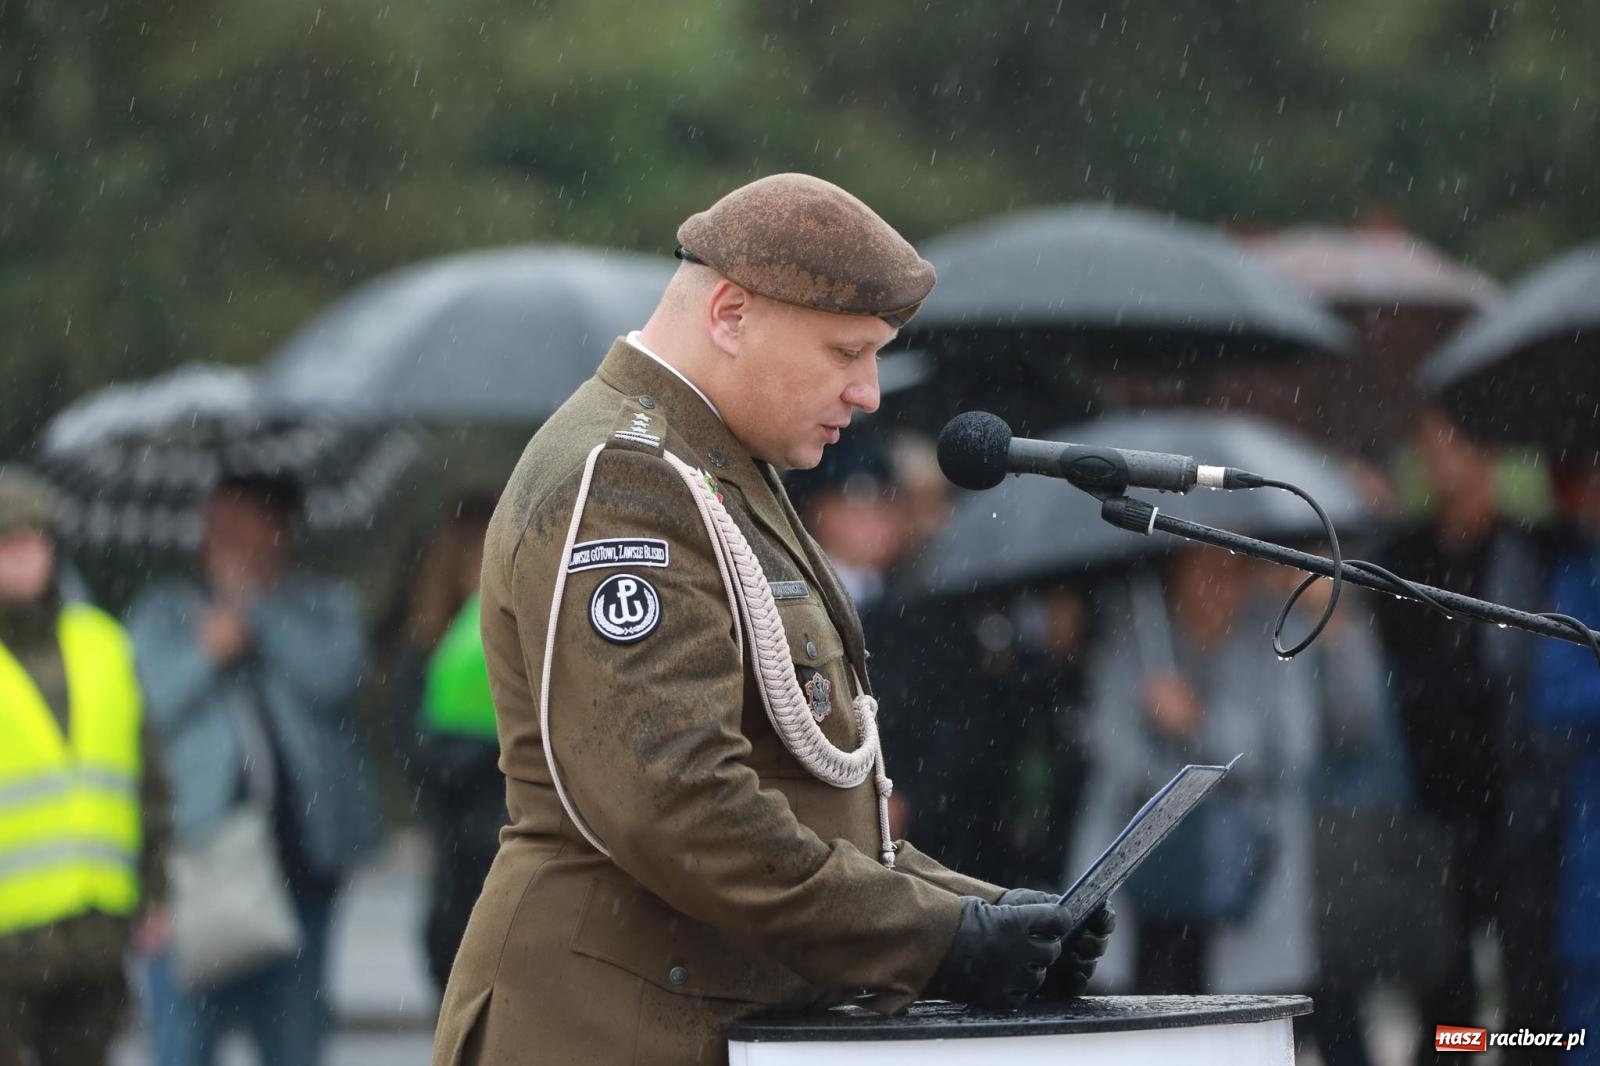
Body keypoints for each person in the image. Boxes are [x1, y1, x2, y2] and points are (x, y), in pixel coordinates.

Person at [431, 174, 1113, 1066]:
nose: (868, 392)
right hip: (606, 1028)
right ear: (729, 315)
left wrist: (981, 915)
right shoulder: (629, 481)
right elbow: (681, 807)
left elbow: (806, 796)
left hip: (680, 1012)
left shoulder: (712, 463)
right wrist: (940, 939)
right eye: (844, 352)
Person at [127, 472, 379, 1066]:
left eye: (248, 524)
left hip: (301, 872)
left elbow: (335, 678)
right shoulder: (163, 613)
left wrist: (258, 614)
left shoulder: (321, 606)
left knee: (295, 1044)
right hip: (195, 876)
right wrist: (207, 651)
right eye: (220, 525)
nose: (232, 539)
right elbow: (145, 704)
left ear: (281, 531)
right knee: (183, 1045)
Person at [1372, 406, 1561, 1063]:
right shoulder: (1401, 553)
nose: (1444, 456)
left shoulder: (1532, 550)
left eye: (1457, 438)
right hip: (1431, 807)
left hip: (1515, 805)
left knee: (1530, 995)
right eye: (1431, 442)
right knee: (1443, 1000)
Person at [0, 465, 170, 1066]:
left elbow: (147, 781)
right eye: (8, 544)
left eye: (33, 542)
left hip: (94, 932)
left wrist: (155, 888)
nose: (24, 559)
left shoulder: (101, 643)